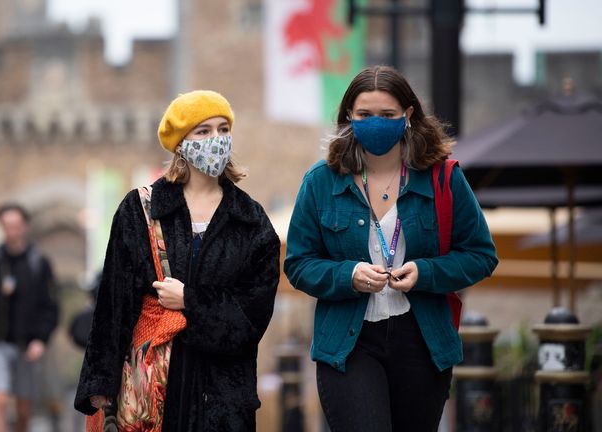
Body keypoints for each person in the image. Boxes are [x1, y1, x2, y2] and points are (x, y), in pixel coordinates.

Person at [284, 66, 499, 432]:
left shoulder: (444, 178)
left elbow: (481, 255)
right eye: (364, 115)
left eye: (387, 115)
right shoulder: (320, 181)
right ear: (348, 116)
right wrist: (347, 275)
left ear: (408, 116)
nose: (375, 124)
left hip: (422, 340)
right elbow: (299, 263)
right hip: (349, 345)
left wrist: (425, 272)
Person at [74, 90, 280, 431]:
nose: (216, 139)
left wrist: (189, 301)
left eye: (223, 129)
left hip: (225, 398)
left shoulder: (251, 220)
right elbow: (113, 304)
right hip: (150, 395)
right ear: (181, 143)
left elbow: (251, 319)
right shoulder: (139, 210)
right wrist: (101, 388)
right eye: (203, 131)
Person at [0, 203, 59, 432]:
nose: (11, 231)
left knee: (23, 409)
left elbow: (51, 307)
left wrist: (40, 339)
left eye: (15, 225)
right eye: (6, 225)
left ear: (24, 226)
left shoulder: (38, 264)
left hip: (27, 345)